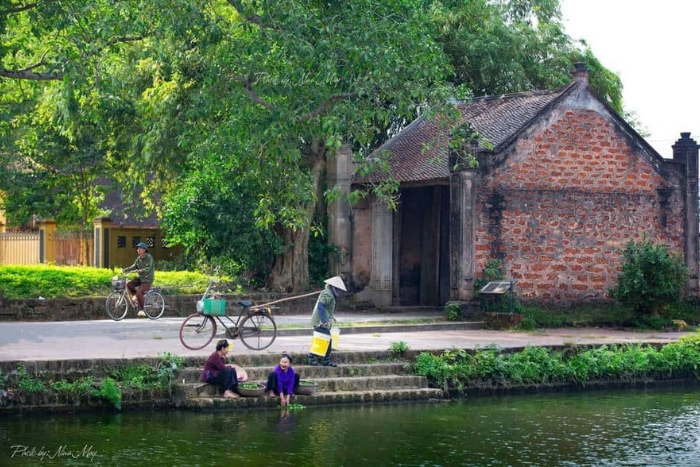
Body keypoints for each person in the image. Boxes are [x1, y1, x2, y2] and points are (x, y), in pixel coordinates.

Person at [308, 276, 346, 367]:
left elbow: (326, 308)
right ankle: (312, 357)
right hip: (320, 322)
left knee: (326, 341)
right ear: (333, 287)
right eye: (338, 289)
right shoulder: (328, 294)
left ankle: (326, 360)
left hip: (321, 321)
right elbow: (321, 306)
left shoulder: (329, 293)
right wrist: (324, 320)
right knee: (323, 340)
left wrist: (331, 317)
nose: (339, 291)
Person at [122, 242, 154, 317]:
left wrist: (139, 271)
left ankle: (142, 310)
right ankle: (136, 296)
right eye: (137, 248)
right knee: (129, 284)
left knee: (139, 292)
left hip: (147, 279)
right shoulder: (139, 258)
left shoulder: (149, 257)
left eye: (140, 248)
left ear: (144, 250)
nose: (138, 250)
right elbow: (133, 266)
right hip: (141, 278)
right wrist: (125, 270)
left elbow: (148, 269)